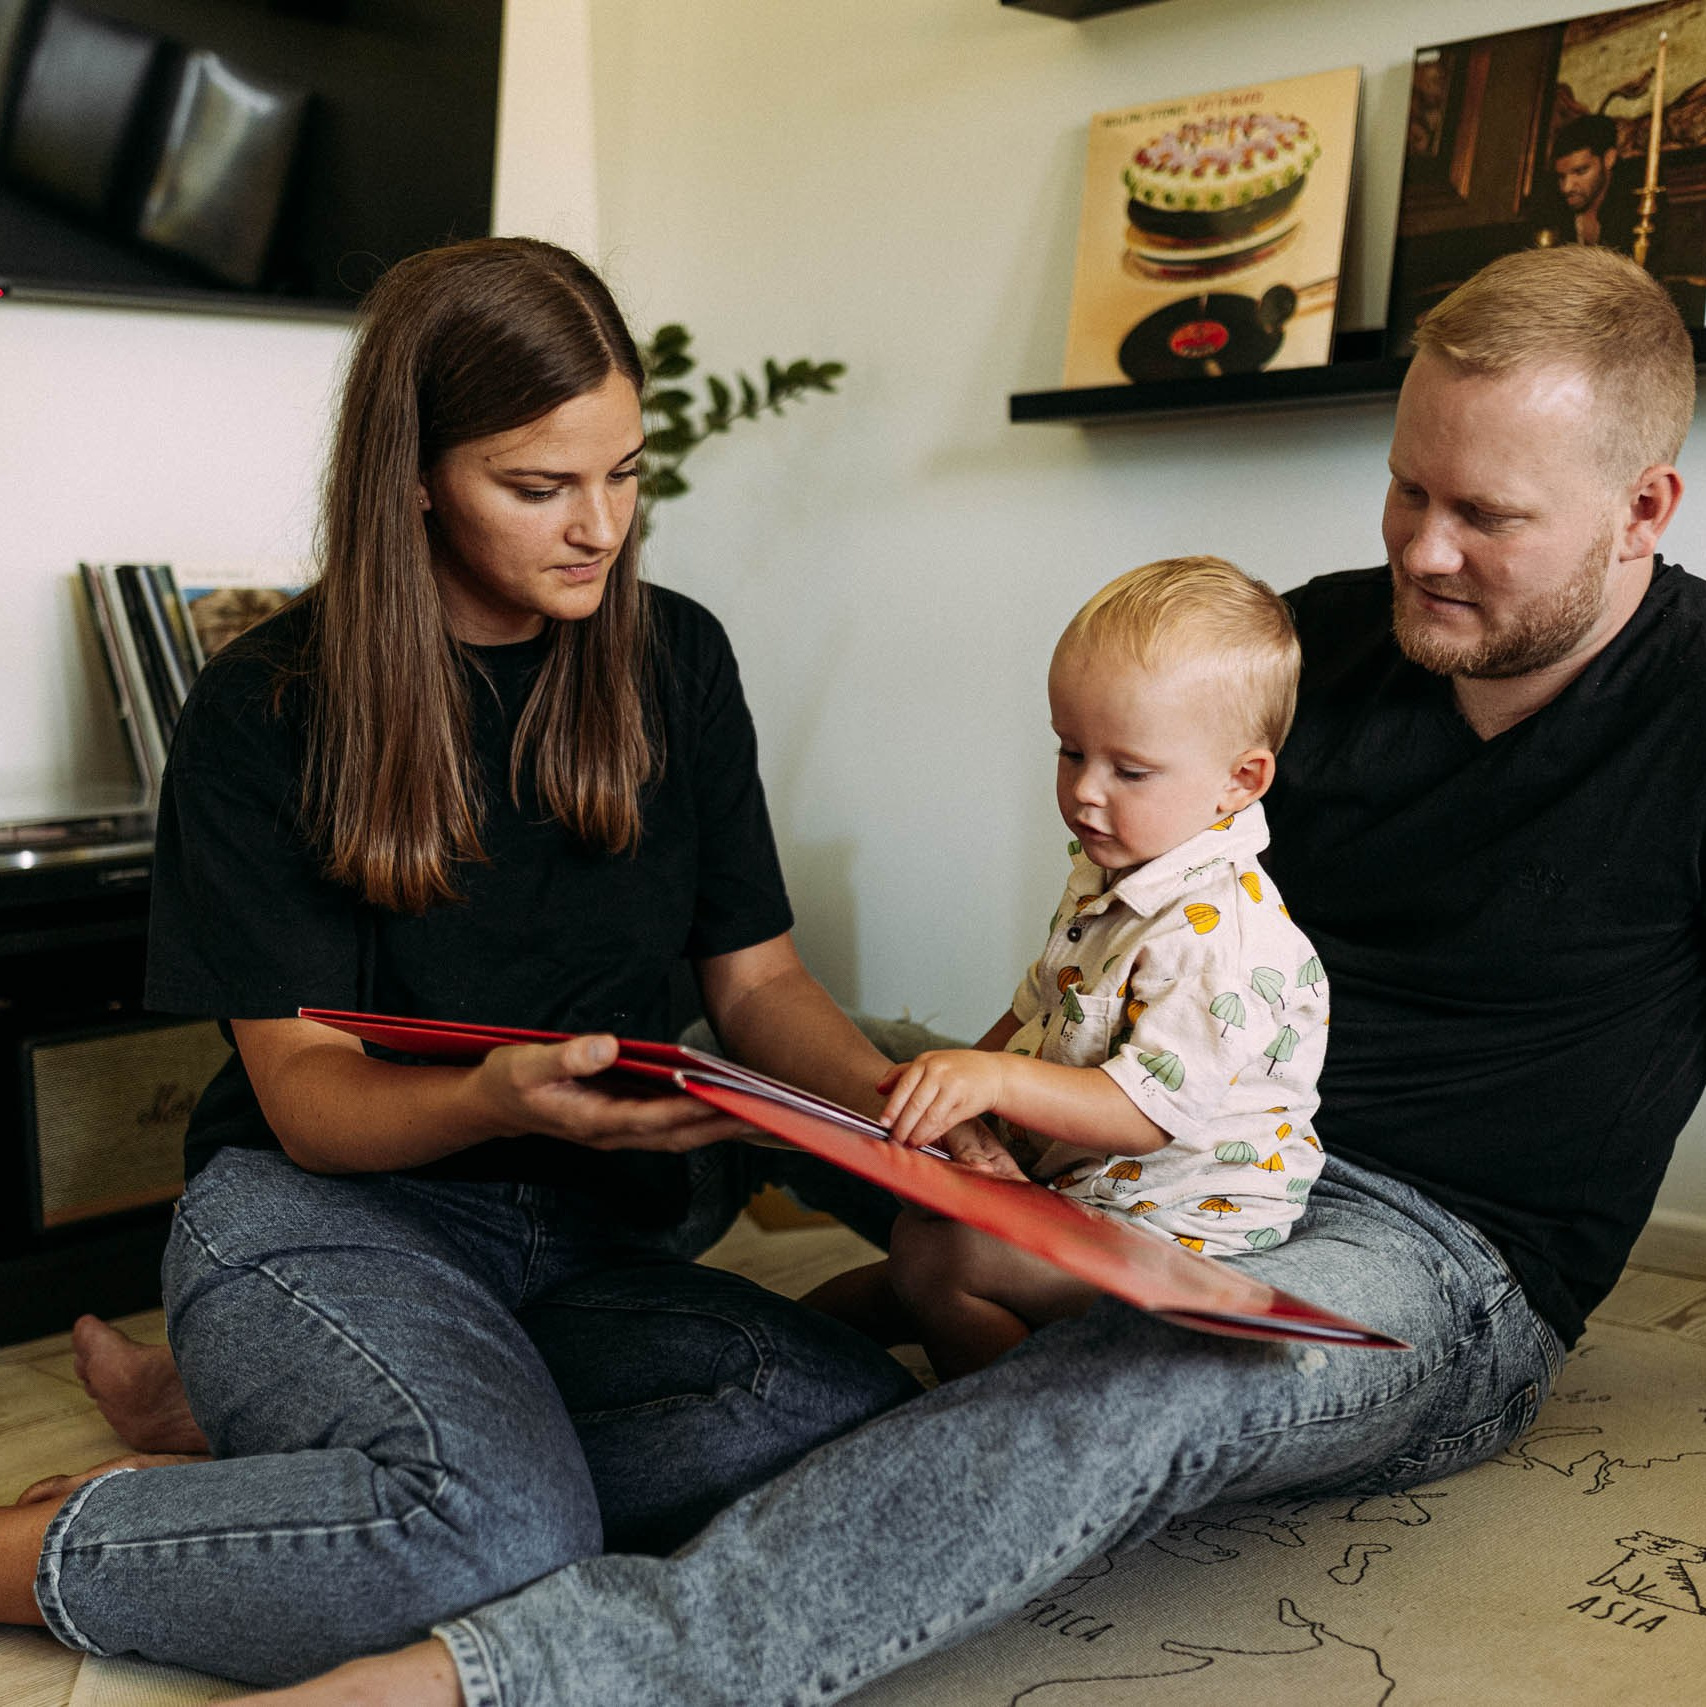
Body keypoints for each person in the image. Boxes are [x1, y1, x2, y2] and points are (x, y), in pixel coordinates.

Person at [204, 238, 1706, 1707]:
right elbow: (1096, 961)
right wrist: (948, 1101)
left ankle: (512, 1673)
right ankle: (344, 1393)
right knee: (866, 1073)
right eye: (1405, 486)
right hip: (1149, 1133)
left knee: (1144, 1369)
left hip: (1420, 1248)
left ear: (1643, 506)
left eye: (1483, 516)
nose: (1418, 547)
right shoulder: (1302, 646)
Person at [0, 236, 1017, 1683]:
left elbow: (758, 986)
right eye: (537, 486)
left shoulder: (677, 660)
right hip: (328, 1213)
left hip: (589, 1238)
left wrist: (910, 1114)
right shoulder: (264, 706)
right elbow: (305, 1096)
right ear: (412, 473)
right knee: (493, 1529)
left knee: (822, 1409)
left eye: (624, 470)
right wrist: (500, 1096)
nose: (597, 524)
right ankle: (47, 1536)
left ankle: (280, 1451)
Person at [809, 557, 1329, 1379]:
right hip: (1082, 1187)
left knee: (933, 1261)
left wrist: (995, 1084)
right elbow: (1036, 1008)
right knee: (848, 1301)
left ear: (1240, 780)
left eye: (1129, 770)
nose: (1086, 791)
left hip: (1178, 1238)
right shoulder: (1115, 866)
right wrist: (959, 1106)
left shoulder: (1221, 938)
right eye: (1070, 751)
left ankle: (1017, 1423)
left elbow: (1143, 1114)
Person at [1539, 113, 1635, 252]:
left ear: (1609, 159)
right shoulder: (1552, 207)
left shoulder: (1632, 208)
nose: (1567, 188)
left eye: (1580, 171)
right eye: (1561, 176)